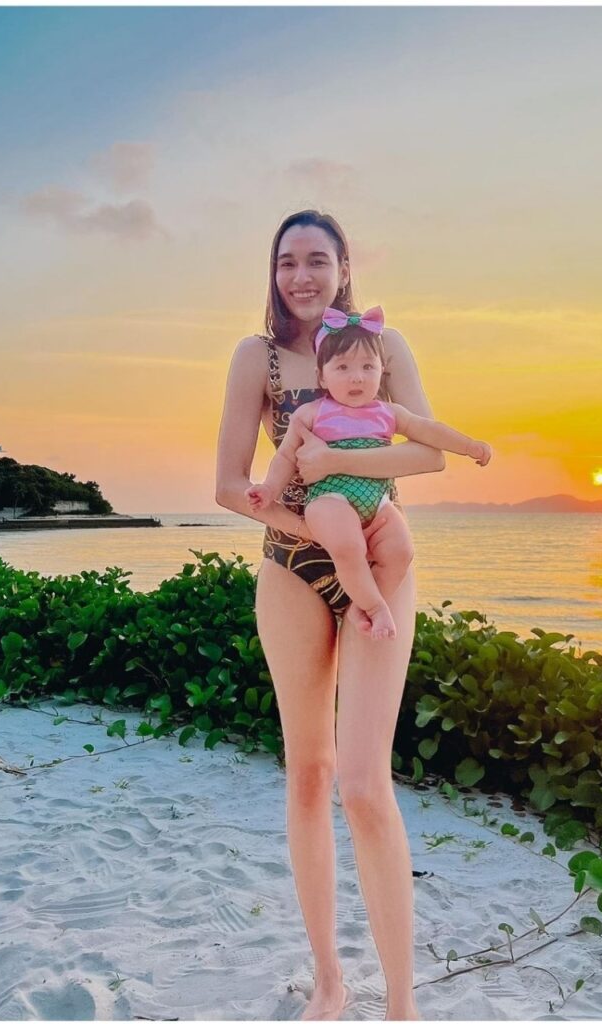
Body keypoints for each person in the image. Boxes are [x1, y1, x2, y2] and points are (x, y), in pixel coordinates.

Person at [215, 209, 466, 1021]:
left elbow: (427, 453)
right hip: (291, 563)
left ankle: (402, 1004)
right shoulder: (256, 357)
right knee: (309, 774)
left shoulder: (382, 345)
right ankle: (329, 978)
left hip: (381, 562)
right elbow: (230, 485)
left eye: (317, 259)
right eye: (287, 261)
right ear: (273, 271)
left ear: (344, 267)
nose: (301, 275)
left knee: (362, 785)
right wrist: (311, 527)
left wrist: (332, 464)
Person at [244, 305, 492, 641]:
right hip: (329, 499)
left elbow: (429, 431)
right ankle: (376, 609)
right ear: (322, 376)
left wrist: (468, 445)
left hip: (378, 502)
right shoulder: (313, 413)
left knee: (401, 551)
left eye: (367, 367)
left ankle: (366, 605)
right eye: (342, 367)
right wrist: (269, 489)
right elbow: (286, 456)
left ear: (381, 372)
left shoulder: (389, 413)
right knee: (348, 544)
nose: (357, 377)